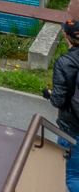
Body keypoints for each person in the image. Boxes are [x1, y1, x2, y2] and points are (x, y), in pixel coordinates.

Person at [43, 18, 79, 192]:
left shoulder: (64, 62)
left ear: (66, 36)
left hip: (72, 129)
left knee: (71, 174)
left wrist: (49, 94)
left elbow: (59, 100)